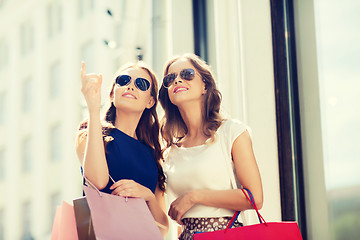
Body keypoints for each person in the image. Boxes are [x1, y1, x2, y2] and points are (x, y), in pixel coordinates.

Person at [159, 53, 263, 240]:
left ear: (204, 86)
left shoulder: (231, 132)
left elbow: (254, 197)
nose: (178, 80)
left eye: (187, 74)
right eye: (170, 78)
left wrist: (194, 197)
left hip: (225, 234)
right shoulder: (170, 151)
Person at [75, 61, 169, 236]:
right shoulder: (89, 134)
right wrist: (94, 109)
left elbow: (163, 228)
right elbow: (97, 182)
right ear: (112, 94)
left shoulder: (153, 154)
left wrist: (147, 195)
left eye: (141, 84)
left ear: (150, 101)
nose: (131, 86)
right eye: (124, 80)